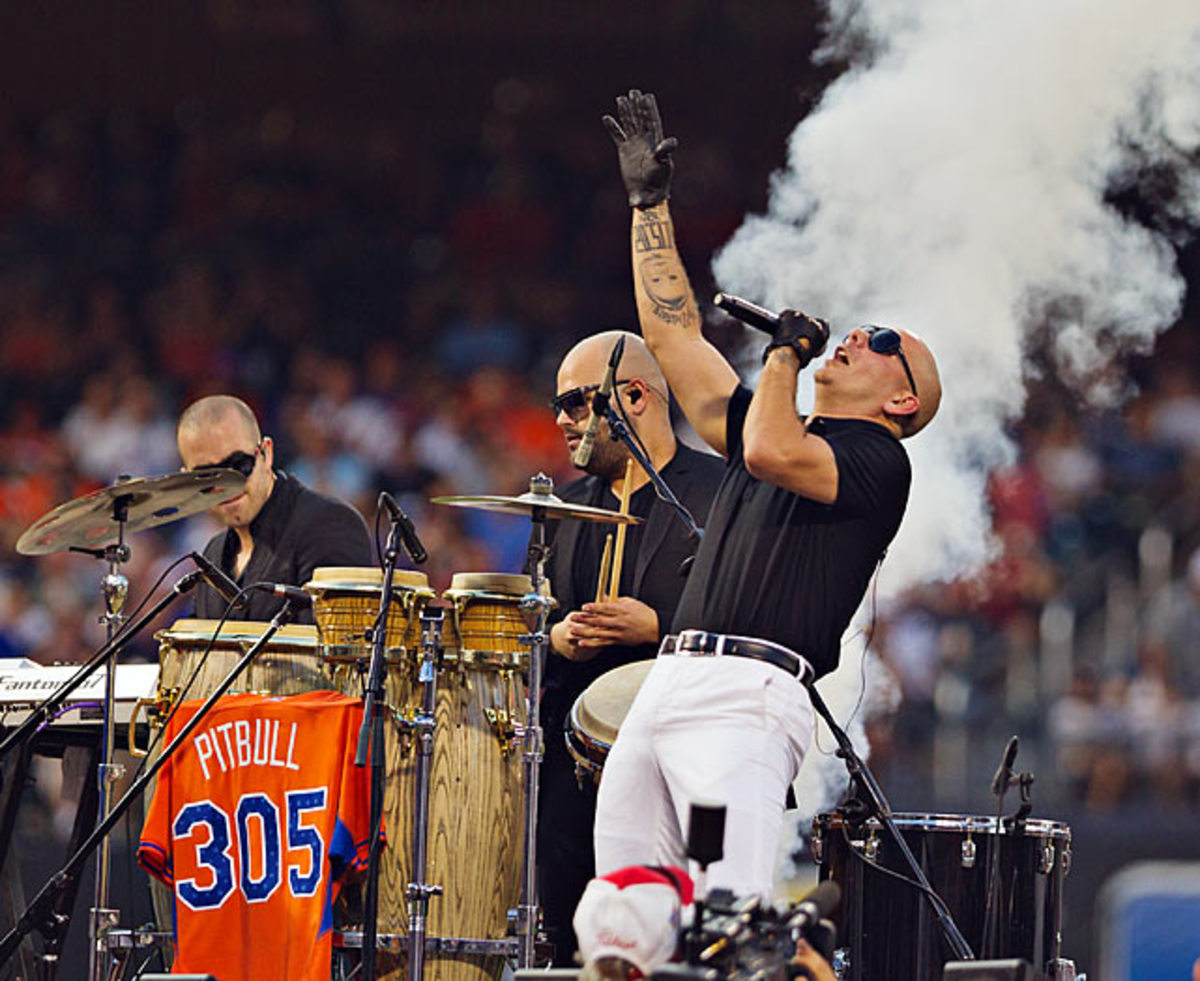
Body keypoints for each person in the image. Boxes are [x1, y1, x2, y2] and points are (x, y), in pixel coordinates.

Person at [592, 90, 942, 899]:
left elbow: (770, 449)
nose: (857, 336)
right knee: (625, 906)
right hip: (671, 679)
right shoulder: (775, 422)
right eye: (862, 328)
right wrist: (649, 208)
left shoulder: (877, 460)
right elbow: (673, 338)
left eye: (883, 342)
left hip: (744, 700)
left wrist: (784, 354)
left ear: (902, 400)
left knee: (721, 907)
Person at [539, 331, 723, 965]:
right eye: (558, 405)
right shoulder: (564, 507)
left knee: (683, 940)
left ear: (636, 396)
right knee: (571, 940)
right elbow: (532, 622)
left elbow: (752, 620)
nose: (562, 420)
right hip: (572, 766)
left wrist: (658, 628)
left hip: (685, 760)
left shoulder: (720, 494)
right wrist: (557, 637)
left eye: (576, 402)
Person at [176, 394, 373, 623]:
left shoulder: (330, 525)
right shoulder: (213, 554)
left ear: (266, 453)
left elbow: (334, 640)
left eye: (238, 466)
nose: (224, 487)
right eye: (206, 477)